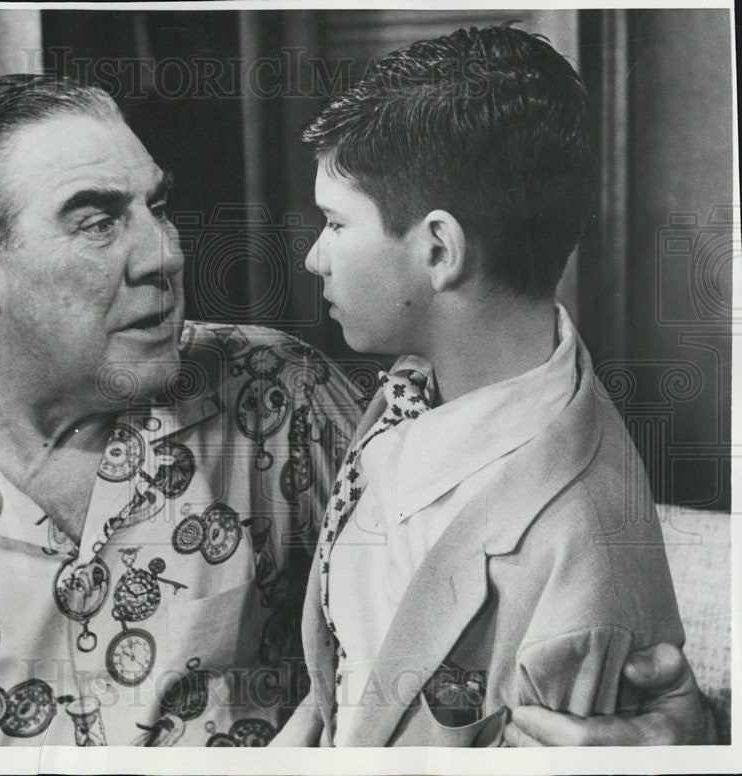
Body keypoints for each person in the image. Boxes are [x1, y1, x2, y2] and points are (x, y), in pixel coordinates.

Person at [0, 73, 712, 750]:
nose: (164, 253)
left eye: (156, 207)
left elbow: (497, 561)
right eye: (96, 220)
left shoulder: (276, 398)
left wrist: (686, 739)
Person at [273, 26, 707, 747]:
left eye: (335, 223)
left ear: (439, 250)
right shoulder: (417, 385)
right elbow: (351, 679)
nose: (317, 256)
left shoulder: (578, 555)